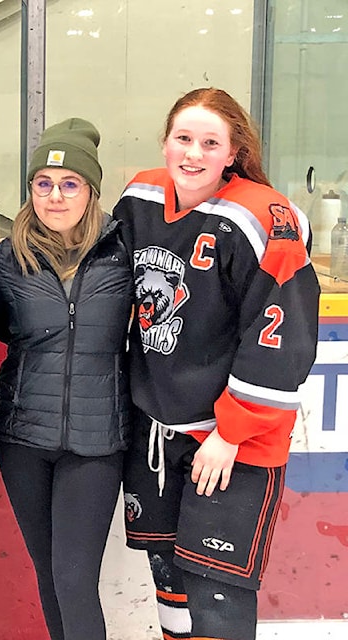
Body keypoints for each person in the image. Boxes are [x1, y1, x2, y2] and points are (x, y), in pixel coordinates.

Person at [114, 88, 320, 640]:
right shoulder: (140, 196)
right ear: (165, 142)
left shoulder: (264, 217)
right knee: (169, 578)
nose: (193, 154)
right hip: (156, 428)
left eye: (210, 143)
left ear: (232, 153)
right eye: (183, 139)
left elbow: (283, 335)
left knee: (217, 593)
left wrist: (231, 434)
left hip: (229, 443)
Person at [0, 118, 132, 640]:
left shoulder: (123, 255)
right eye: (43, 183)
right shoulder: (6, 260)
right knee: (48, 574)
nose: (55, 196)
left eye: (70, 184)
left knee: (74, 577)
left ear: (91, 191)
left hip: (96, 442)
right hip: (24, 441)